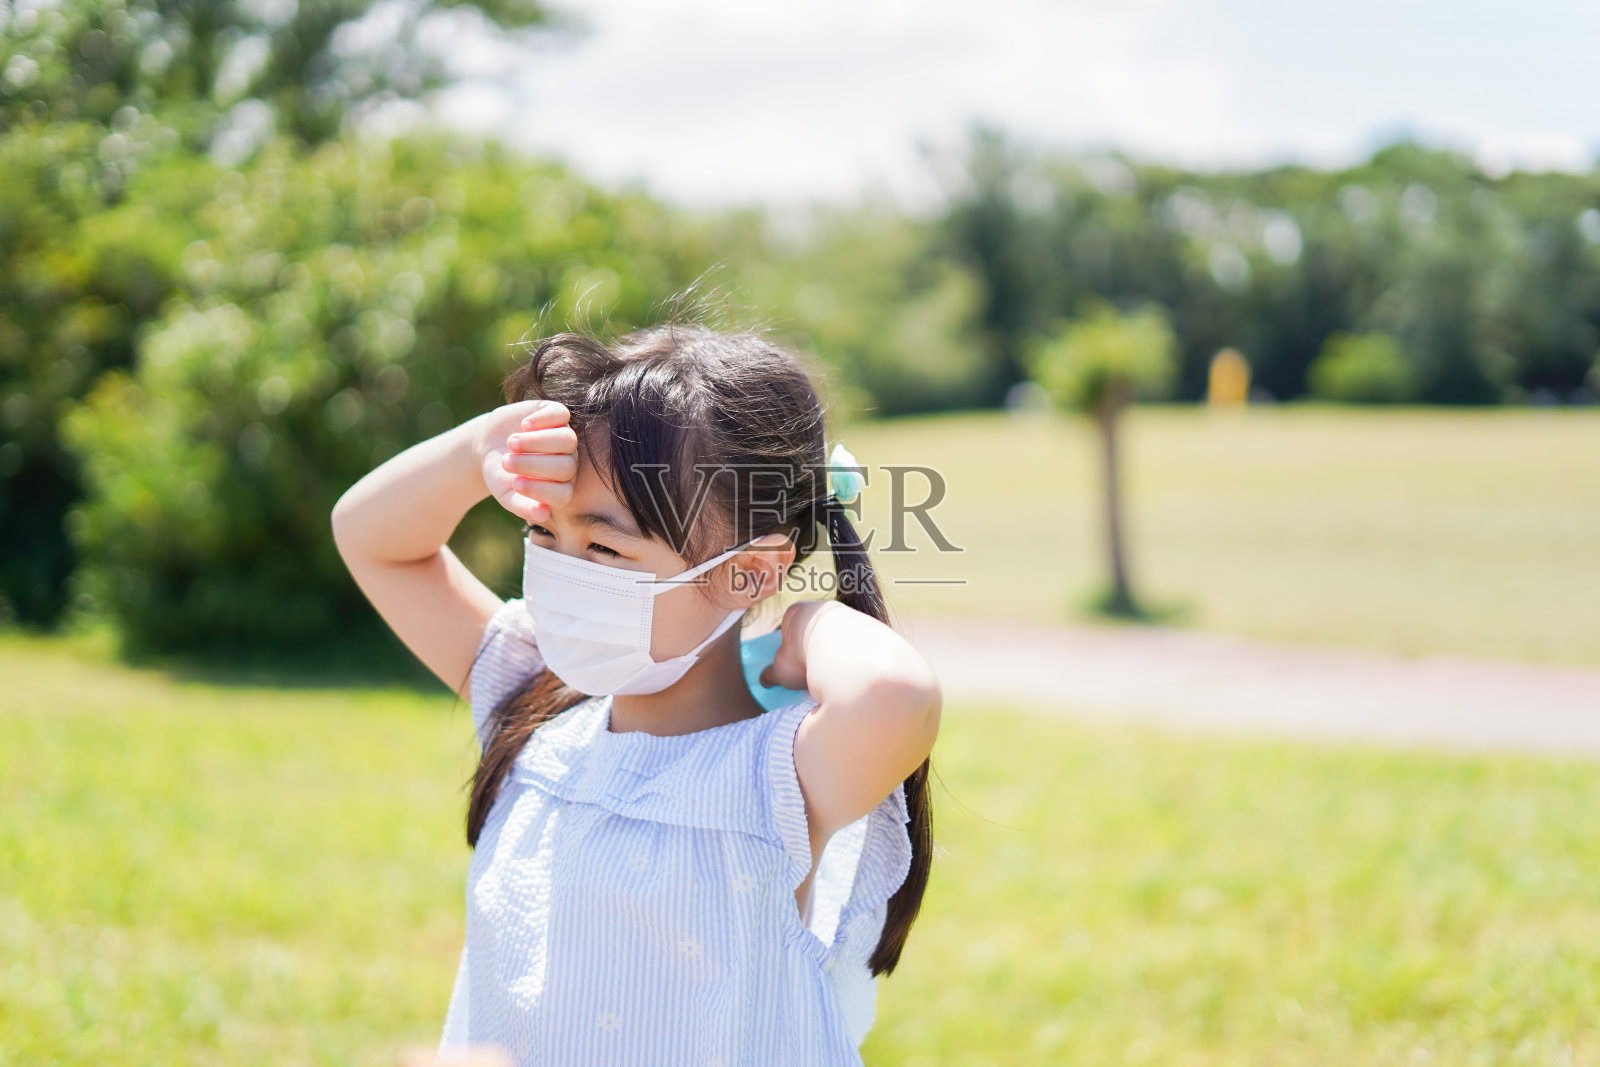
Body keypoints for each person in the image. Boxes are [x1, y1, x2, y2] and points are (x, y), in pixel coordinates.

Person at [331, 317, 941, 1065]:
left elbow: (897, 694)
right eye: (545, 533)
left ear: (748, 570)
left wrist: (805, 624)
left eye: (603, 546)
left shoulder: (770, 777)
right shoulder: (536, 703)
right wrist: (477, 450)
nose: (559, 569)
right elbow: (371, 537)